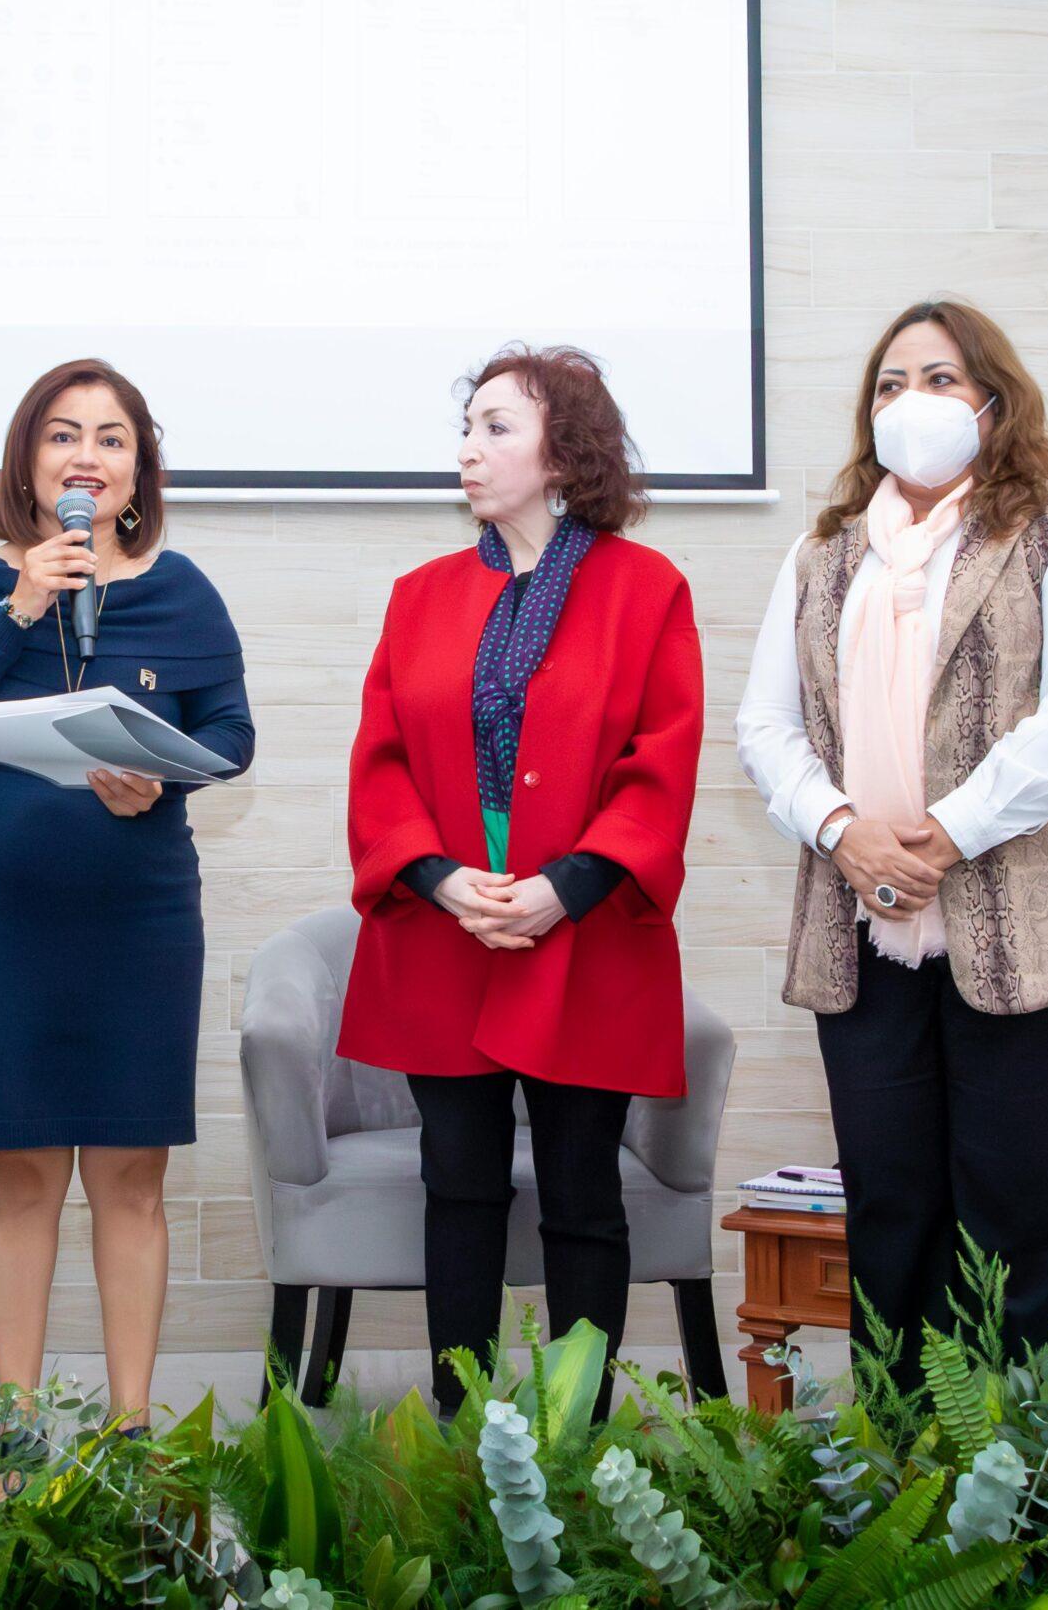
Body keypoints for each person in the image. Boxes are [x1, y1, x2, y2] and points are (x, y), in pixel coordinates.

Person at [735, 299, 1048, 1378]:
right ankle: (904, 1487)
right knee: (891, 1219)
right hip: (866, 932)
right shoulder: (825, 550)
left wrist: (942, 834)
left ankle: (1016, 1507)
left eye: (934, 379)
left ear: (990, 399)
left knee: (1016, 1231)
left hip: (1027, 935)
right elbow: (765, 726)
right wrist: (839, 829)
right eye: (888, 384)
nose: (908, 403)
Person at [0, 358, 252, 1450]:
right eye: (60, 434)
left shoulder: (179, 590)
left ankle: (132, 1436)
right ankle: (16, 1431)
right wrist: (19, 605)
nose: (84, 455)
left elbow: (231, 734)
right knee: (25, 1175)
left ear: (137, 471)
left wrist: (166, 776)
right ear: (26, 459)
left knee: (132, 1179)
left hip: (139, 920)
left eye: (109, 438)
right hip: (2, 918)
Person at [339, 344, 703, 1419]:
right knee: (455, 1188)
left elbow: (662, 757)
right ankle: (466, 1427)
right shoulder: (420, 596)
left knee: (583, 1198)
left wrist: (568, 884)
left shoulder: (647, 590)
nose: (470, 448)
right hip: (442, 933)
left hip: (585, 934)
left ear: (563, 453)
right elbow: (381, 762)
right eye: (467, 426)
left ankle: (576, 1434)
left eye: (497, 427)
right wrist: (442, 879)